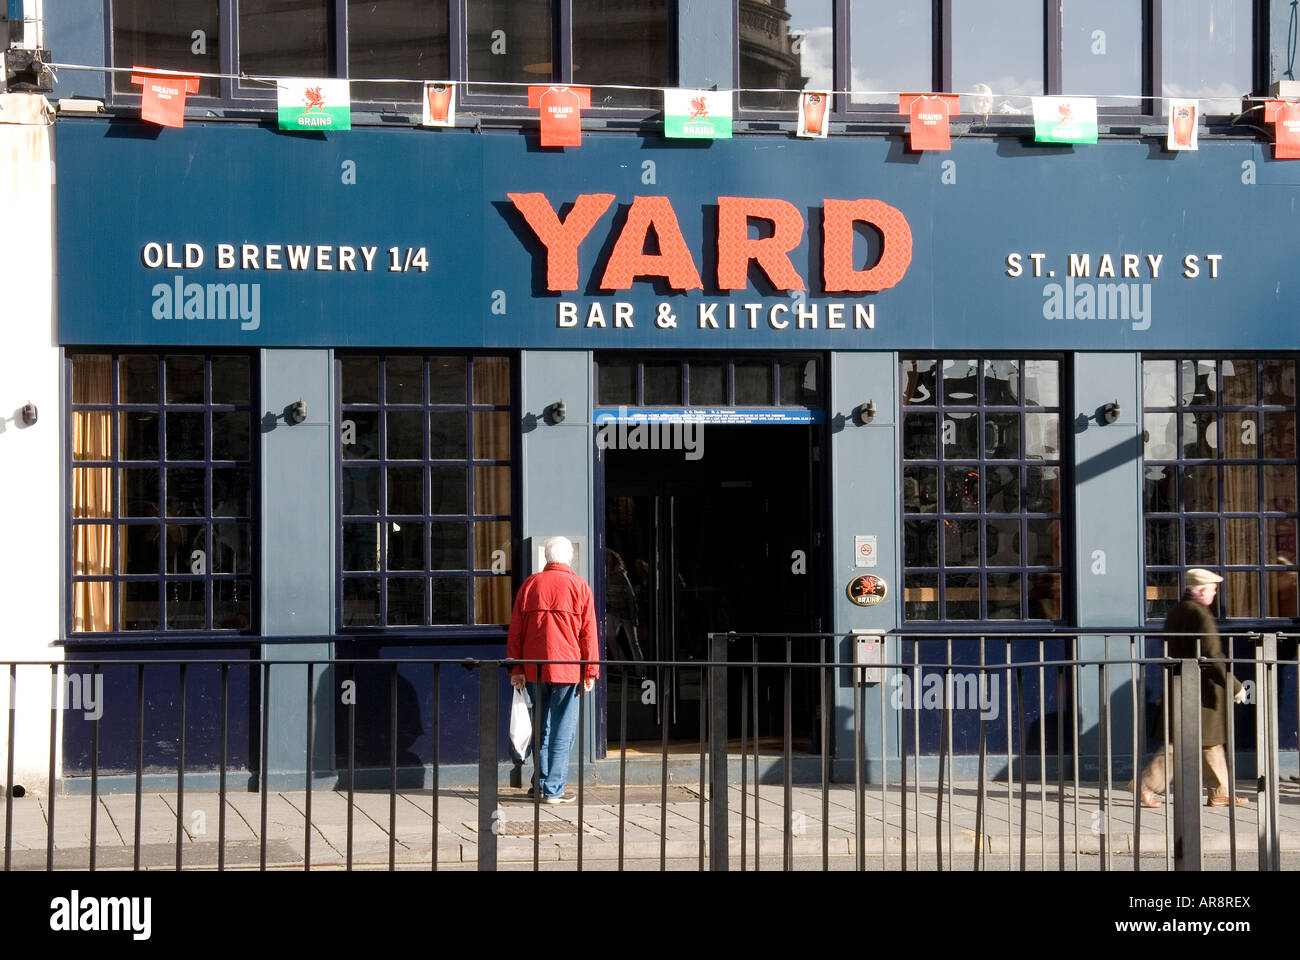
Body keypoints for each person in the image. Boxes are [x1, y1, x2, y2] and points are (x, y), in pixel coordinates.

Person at [1138, 568, 1248, 809]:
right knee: (1180, 743)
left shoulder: (1177, 611)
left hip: (1185, 684)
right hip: (1200, 689)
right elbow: (1212, 654)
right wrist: (1234, 686)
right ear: (1201, 590)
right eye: (1212, 589)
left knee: (1210, 741)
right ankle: (1145, 784)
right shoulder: (1200, 615)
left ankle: (1220, 792)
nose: (1215, 592)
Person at [507, 536, 599, 804]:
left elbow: (516, 632)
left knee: (541, 727)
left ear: (547, 558)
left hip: (534, 668)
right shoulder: (580, 587)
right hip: (569, 668)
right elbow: (588, 634)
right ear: (569, 559)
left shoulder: (530, 585)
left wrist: (516, 668)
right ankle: (553, 789)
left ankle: (541, 783)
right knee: (563, 730)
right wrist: (590, 671)